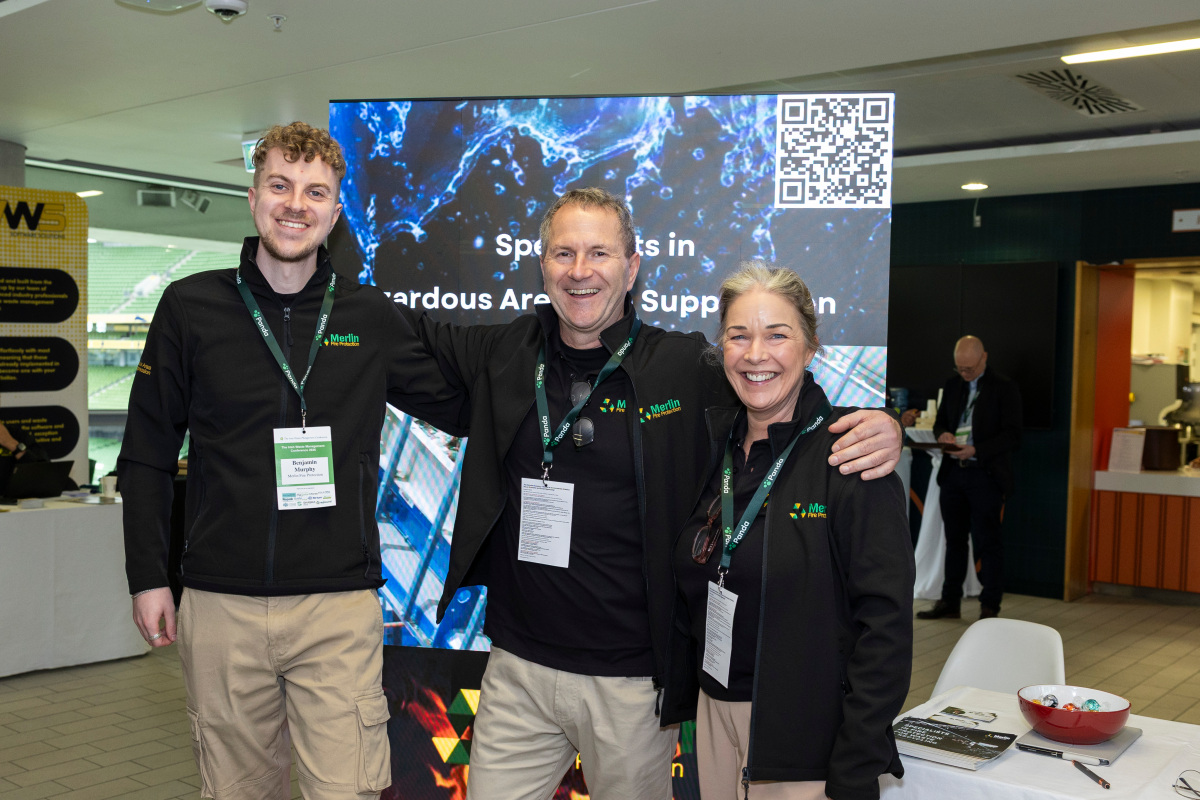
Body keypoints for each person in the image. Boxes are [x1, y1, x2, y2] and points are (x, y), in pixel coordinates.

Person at [413, 188, 904, 800]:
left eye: (599, 252)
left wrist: (884, 425)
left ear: (633, 267)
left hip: (635, 687)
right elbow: (405, 341)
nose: (581, 270)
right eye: (564, 253)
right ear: (543, 265)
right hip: (519, 667)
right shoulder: (506, 354)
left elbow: (779, 397)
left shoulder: (684, 369)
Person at [119, 122, 468, 800]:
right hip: (222, 603)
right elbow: (147, 452)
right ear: (254, 198)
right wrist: (148, 576)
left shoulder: (367, 316)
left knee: (346, 789)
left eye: (316, 192)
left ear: (334, 214)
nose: (296, 205)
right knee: (237, 790)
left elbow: (460, 402)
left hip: (336, 606)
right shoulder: (191, 308)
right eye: (280, 185)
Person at [663, 263, 913, 800]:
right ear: (721, 350)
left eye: (777, 335)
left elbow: (886, 629)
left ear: (811, 348)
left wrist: (856, 764)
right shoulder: (711, 448)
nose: (756, 354)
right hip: (713, 716)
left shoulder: (851, 458)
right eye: (739, 336)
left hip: (805, 739)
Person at [916, 335, 1021, 621]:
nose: (964, 374)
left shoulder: (1004, 388)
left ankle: (990, 605)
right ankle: (950, 602)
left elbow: (1013, 435)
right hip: (953, 474)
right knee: (954, 541)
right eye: (960, 368)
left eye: (969, 369)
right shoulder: (953, 385)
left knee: (989, 542)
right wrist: (943, 435)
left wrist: (977, 449)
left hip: (985, 474)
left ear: (983, 358)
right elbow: (940, 422)